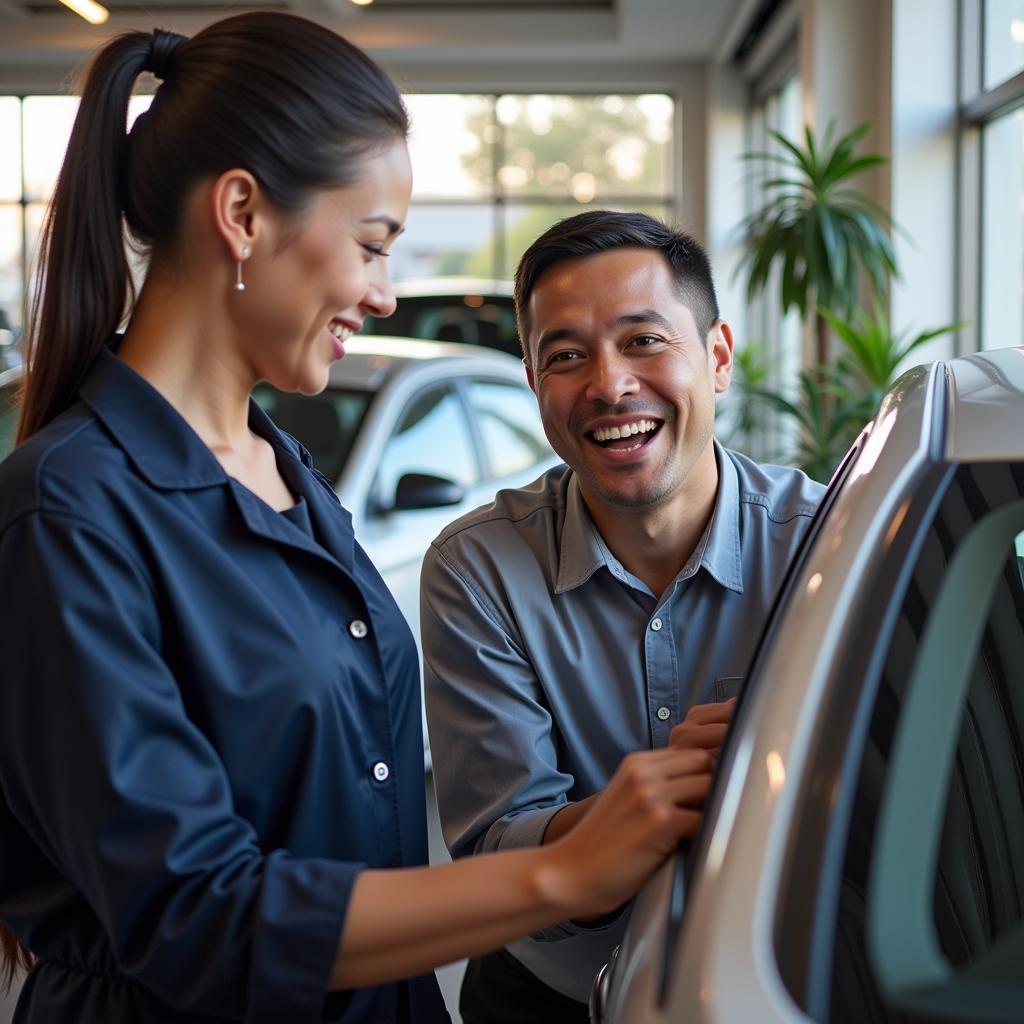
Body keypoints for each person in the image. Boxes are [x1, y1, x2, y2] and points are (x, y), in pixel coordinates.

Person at [0, 21, 717, 1024]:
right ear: (243, 212)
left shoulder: (289, 475)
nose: (384, 295)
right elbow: (199, 915)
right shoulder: (68, 512)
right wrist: (564, 875)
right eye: (374, 246)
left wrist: (610, 819)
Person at [421, 210, 827, 1023]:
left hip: (781, 982)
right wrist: (644, 806)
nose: (608, 385)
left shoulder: (825, 544)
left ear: (716, 357)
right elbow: (499, 841)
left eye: (644, 341)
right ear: (536, 386)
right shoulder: (478, 568)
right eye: (566, 356)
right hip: (549, 992)